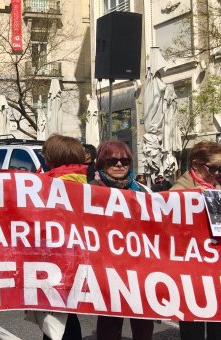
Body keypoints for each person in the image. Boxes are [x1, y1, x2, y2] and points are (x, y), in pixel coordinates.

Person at [90, 140, 153, 340]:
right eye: (112, 160)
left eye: (125, 160)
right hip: (106, 266)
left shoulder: (141, 190)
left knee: (143, 319)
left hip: (138, 266)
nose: (119, 164)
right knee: (109, 320)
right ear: (102, 163)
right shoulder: (89, 190)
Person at [34, 134, 86, 340]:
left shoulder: (47, 187)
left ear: (50, 159)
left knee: (57, 322)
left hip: (56, 263)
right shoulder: (87, 185)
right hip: (80, 262)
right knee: (65, 317)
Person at [170, 141, 221, 339]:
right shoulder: (177, 192)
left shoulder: (217, 188)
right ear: (196, 164)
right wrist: (192, 201)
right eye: (213, 168)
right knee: (193, 326)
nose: (217, 173)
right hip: (190, 271)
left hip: (215, 268)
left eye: (220, 168)